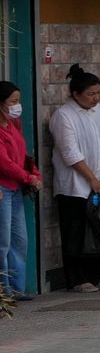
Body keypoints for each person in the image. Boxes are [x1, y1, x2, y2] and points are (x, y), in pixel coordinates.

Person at [49, 64, 100, 293]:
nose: (96, 98)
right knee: (77, 232)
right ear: (76, 94)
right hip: (76, 186)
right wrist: (91, 178)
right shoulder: (64, 115)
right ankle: (79, 278)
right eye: (91, 94)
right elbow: (70, 152)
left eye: (98, 93)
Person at [0, 81, 39, 300]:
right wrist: (28, 178)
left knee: (19, 240)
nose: (17, 106)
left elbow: (23, 155)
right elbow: (4, 163)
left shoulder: (14, 124)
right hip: (3, 188)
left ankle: (16, 287)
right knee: (3, 241)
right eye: (12, 102)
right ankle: (3, 289)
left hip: (15, 189)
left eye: (18, 101)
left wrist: (35, 175)